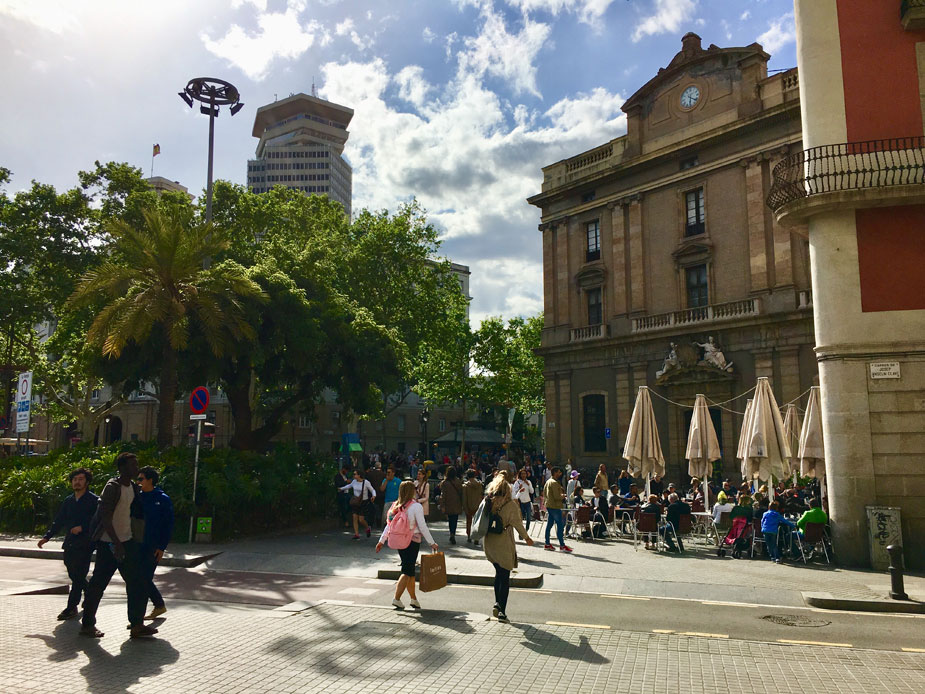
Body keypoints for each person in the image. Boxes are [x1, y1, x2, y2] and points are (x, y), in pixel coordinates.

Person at [80, 452, 155, 639]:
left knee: (137, 582)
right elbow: (105, 516)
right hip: (109, 544)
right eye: (133, 465)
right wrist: (116, 542)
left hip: (127, 541)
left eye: (137, 464)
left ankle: (137, 624)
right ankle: (88, 625)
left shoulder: (133, 487)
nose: (136, 468)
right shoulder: (112, 487)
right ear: (122, 468)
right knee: (98, 584)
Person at [38, 467, 99, 621]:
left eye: (80, 479)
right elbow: (59, 520)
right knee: (73, 573)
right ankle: (90, 593)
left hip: (86, 543)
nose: (77, 482)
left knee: (78, 574)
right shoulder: (69, 501)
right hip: (70, 543)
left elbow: (98, 521)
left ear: (87, 482)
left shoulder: (93, 500)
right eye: (75, 480)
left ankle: (71, 607)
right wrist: (47, 537)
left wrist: (83, 527)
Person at [376, 480, 439, 610]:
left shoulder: (395, 506)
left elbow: (389, 525)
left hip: (399, 541)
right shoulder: (416, 506)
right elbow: (422, 526)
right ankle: (396, 598)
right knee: (406, 570)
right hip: (412, 541)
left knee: (409, 571)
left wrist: (382, 541)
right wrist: (431, 543)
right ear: (412, 491)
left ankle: (413, 599)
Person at [482, 474, 534, 622]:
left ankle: (497, 603)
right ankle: (502, 611)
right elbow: (518, 524)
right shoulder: (510, 505)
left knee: (498, 572)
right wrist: (527, 538)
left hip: (489, 542)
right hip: (503, 541)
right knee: (505, 576)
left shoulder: (488, 501)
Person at [137, 465, 174, 621]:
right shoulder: (136, 497)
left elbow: (168, 525)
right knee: (139, 578)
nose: (138, 482)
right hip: (137, 544)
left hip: (152, 546)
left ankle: (149, 610)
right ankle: (158, 605)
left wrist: (161, 547)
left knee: (144, 578)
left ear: (150, 480)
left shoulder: (162, 499)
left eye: (141, 479)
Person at [339, 469, 376, 540]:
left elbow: (372, 490)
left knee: (361, 519)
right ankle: (356, 534)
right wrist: (341, 489)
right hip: (356, 501)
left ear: (359, 475)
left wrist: (373, 496)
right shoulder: (354, 482)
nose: (353, 475)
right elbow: (349, 486)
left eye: (355, 474)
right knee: (354, 517)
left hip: (363, 502)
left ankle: (367, 527)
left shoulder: (366, 482)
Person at [542, 467, 572, 552]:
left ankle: (547, 543)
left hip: (549, 505)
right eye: (559, 472)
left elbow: (544, 493)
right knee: (560, 525)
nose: (560, 474)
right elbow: (556, 496)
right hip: (555, 506)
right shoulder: (554, 483)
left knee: (549, 525)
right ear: (555, 473)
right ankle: (562, 545)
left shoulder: (548, 481)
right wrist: (563, 496)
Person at [439, 467, 464, 544]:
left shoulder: (444, 483)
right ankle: (453, 533)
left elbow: (443, 495)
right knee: (455, 520)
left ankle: (451, 533)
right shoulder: (459, 482)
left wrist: (442, 505)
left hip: (448, 503)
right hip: (457, 503)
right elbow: (461, 493)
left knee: (450, 519)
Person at [463, 470, 484, 544]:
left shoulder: (465, 486)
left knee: (469, 521)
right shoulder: (479, 485)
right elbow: (481, 495)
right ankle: (476, 538)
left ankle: (469, 536)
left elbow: (464, 498)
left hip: (469, 505)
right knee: (477, 522)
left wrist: (465, 507)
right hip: (478, 506)